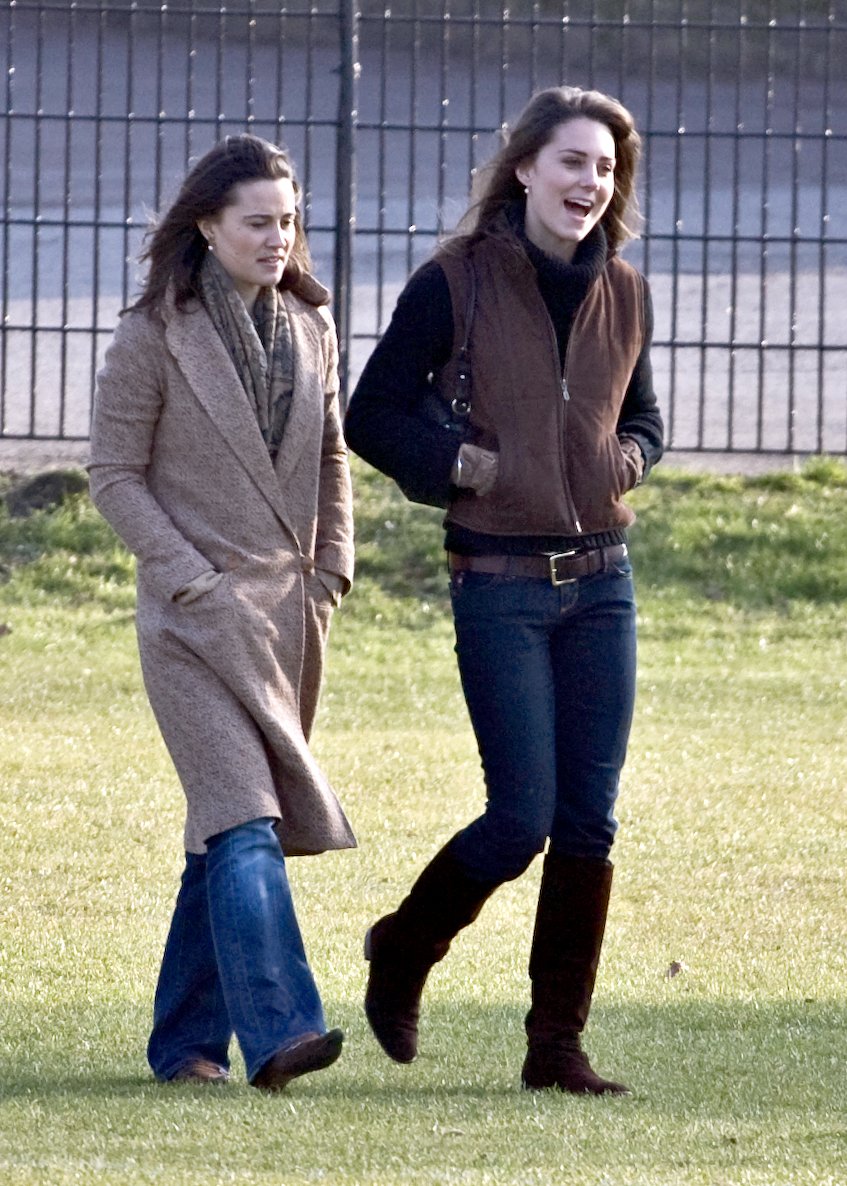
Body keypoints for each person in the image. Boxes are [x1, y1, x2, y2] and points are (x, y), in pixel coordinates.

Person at [344, 86, 664, 1096]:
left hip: (602, 588)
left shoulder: (626, 289)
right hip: (498, 584)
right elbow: (374, 414)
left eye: (605, 168)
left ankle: (554, 1046)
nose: (589, 184)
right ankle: (403, 948)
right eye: (572, 162)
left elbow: (645, 419)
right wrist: (459, 467)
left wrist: (629, 461)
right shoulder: (454, 282)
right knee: (519, 814)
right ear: (524, 167)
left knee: (588, 823)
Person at [88, 134, 355, 1091]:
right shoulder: (152, 335)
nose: (278, 238)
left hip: (287, 620)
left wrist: (333, 567)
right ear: (207, 224)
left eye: (288, 221)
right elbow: (112, 477)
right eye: (258, 222)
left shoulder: (312, 330)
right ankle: (283, 1029)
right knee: (246, 820)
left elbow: (330, 456)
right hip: (191, 625)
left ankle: (183, 1045)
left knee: (218, 837)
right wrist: (187, 575)